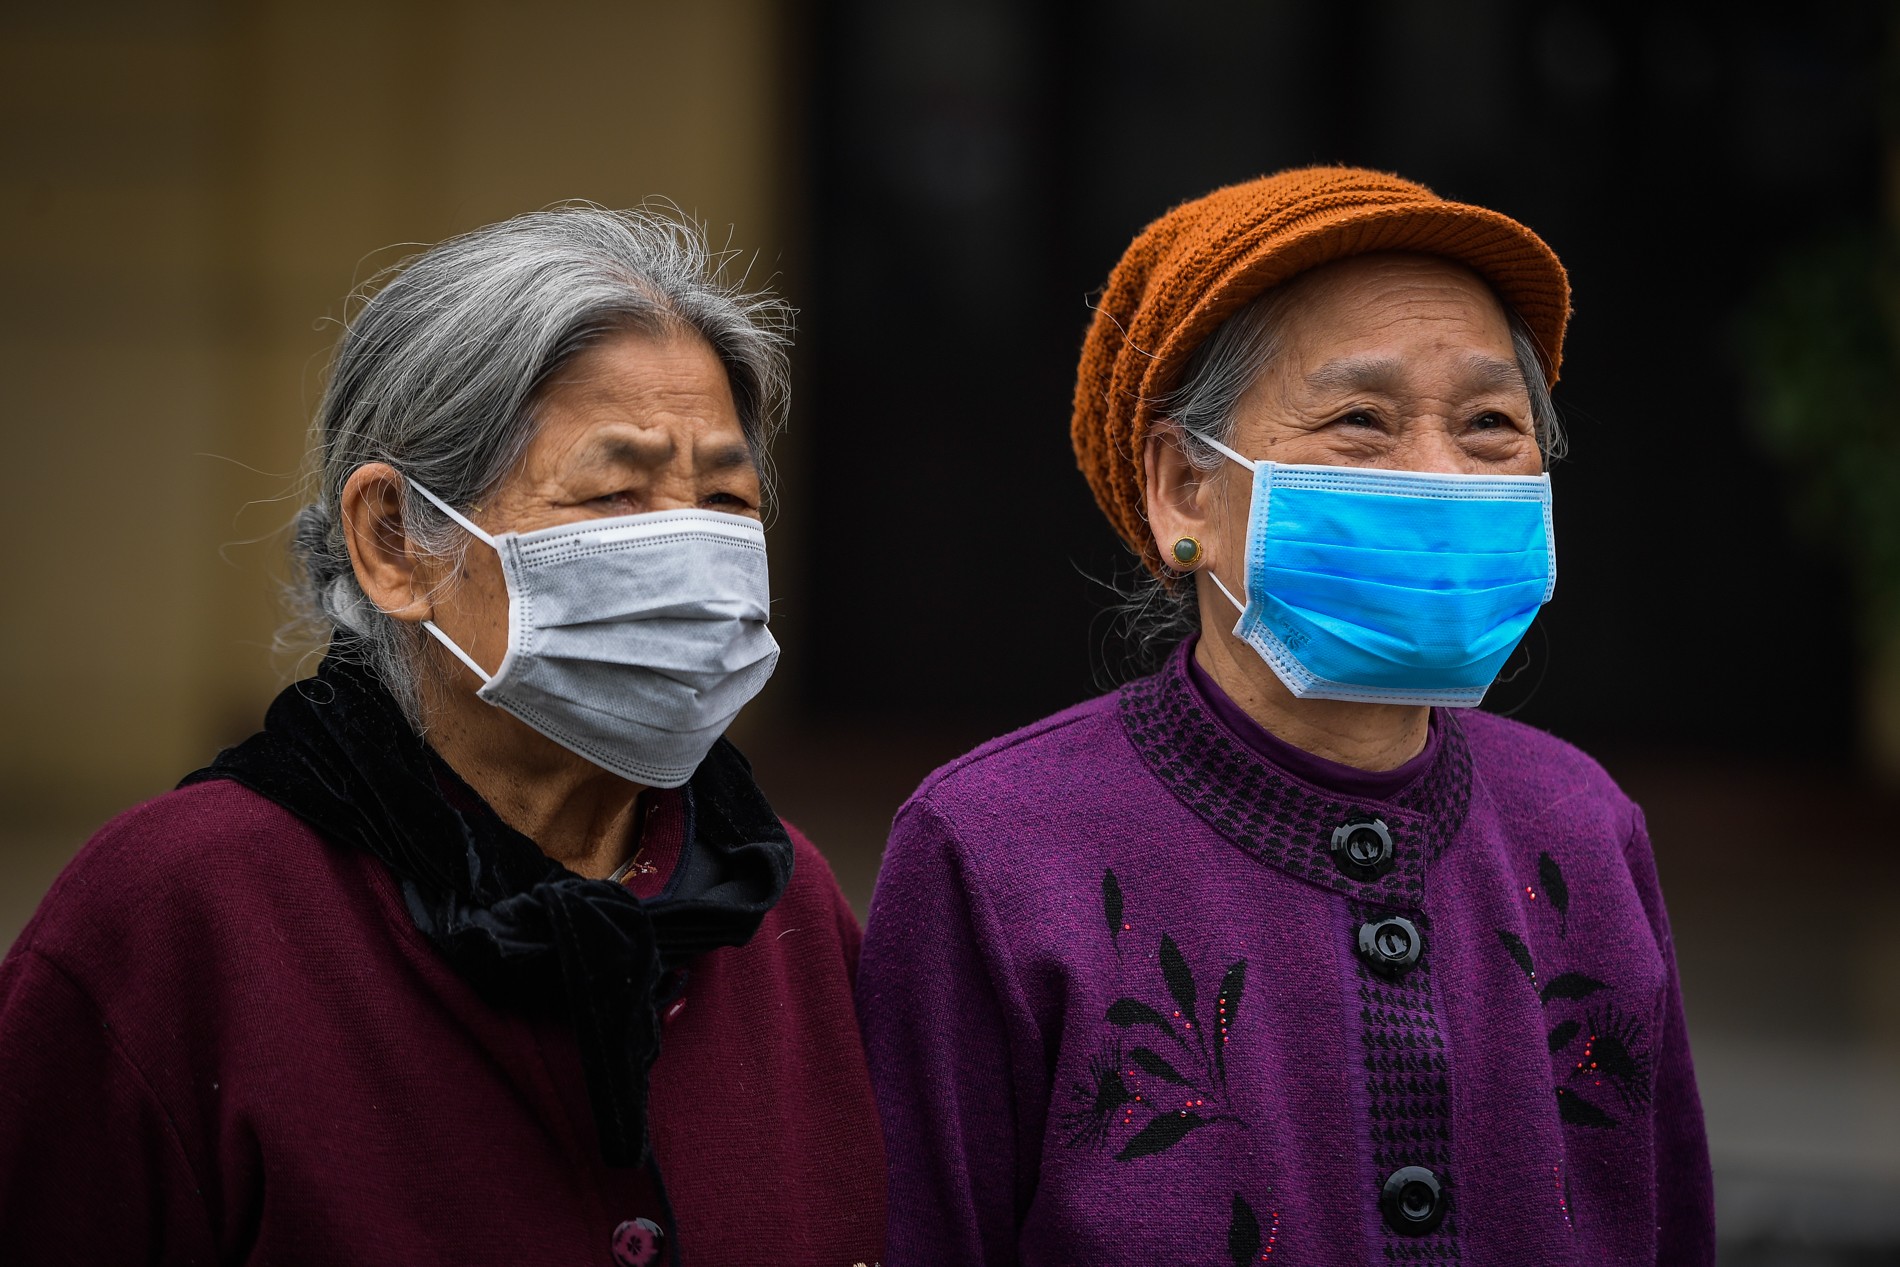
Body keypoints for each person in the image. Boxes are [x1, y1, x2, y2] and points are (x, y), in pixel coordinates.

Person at [858, 167, 1713, 1265]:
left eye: (1490, 424)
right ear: (1185, 493)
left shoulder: (1583, 826)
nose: (1441, 473)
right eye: (1361, 419)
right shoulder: (993, 850)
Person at [0, 206, 885, 1267]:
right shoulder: (177, 918)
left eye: (725, 499)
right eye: (616, 493)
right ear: (394, 543)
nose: (690, 552)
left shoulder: (784, 909)